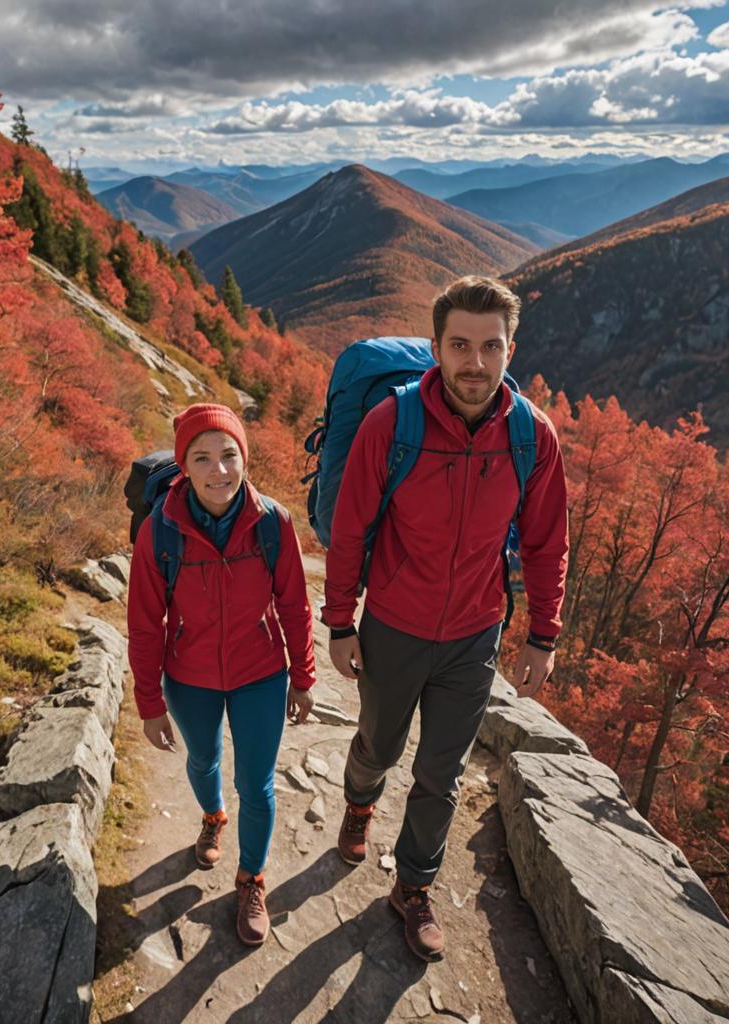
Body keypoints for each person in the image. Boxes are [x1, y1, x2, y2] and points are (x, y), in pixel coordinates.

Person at [322, 276, 568, 962]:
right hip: (393, 626)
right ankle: (359, 802)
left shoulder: (530, 437)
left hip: (473, 634)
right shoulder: (391, 424)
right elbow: (350, 529)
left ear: (510, 348)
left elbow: (548, 541)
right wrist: (340, 622)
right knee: (377, 745)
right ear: (436, 348)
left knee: (442, 770)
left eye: (491, 347)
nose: (475, 363)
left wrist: (543, 634)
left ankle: (413, 888)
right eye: (459, 345)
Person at [127, 403, 317, 947]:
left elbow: (295, 607)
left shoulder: (272, 523)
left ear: (244, 458)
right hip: (189, 678)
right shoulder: (161, 533)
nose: (220, 471)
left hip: (260, 673)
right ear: (183, 465)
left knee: (256, 783)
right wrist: (149, 704)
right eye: (203, 458)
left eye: (229, 455)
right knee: (203, 759)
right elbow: (145, 624)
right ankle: (213, 817)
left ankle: (251, 878)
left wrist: (303, 677)